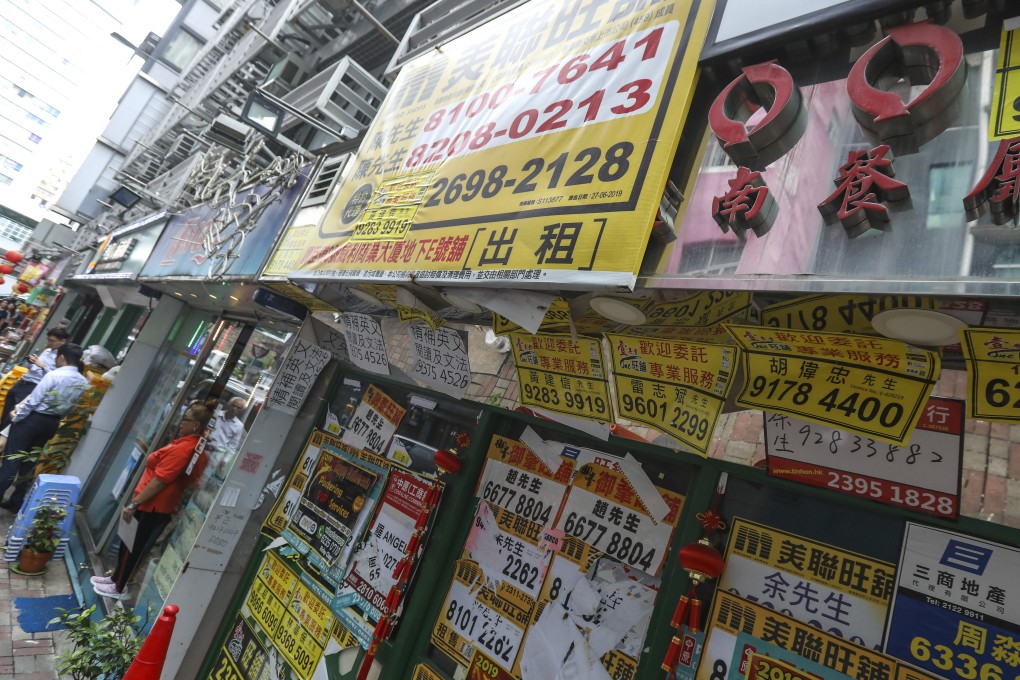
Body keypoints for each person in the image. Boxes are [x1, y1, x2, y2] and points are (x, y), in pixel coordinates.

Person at [92, 404, 212, 600]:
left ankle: (119, 586)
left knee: (132, 546)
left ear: (196, 425)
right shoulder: (189, 445)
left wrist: (134, 504)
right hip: (150, 502)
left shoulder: (185, 449)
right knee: (128, 543)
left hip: (152, 504)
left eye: (186, 419)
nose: (181, 422)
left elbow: (159, 482)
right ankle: (115, 579)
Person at [0, 343, 89, 510]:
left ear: (61, 357)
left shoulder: (54, 375)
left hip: (32, 420)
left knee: (12, 460)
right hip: (51, 423)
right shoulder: (82, 382)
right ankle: (16, 501)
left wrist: (17, 417)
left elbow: (33, 401)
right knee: (29, 462)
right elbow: (71, 407)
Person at [0, 328, 70, 429]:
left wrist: (43, 366)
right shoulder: (47, 351)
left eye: (52, 341)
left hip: (34, 386)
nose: (49, 343)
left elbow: (57, 378)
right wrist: (31, 363)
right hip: (23, 381)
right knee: (6, 412)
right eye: (48, 340)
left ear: (63, 341)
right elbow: (35, 367)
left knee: (12, 415)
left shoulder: (63, 358)